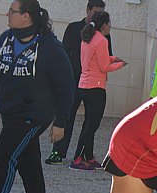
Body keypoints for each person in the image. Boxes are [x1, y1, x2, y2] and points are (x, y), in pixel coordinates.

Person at [0, 0, 74, 193]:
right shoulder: (6, 39)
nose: (7, 14)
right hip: (10, 113)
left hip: (32, 115)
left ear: (26, 16)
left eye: (12, 11)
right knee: (29, 164)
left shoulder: (50, 47)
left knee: (3, 157)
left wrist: (61, 122)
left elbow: (66, 87)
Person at [45, 0, 112, 166]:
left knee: (91, 120)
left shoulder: (104, 33)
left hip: (93, 83)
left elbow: (107, 56)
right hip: (72, 80)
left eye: (101, 14)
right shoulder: (74, 28)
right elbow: (64, 53)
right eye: (95, 13)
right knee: (66, 115)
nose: (98, 17)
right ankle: (57, 152)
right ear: (87, 10)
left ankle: (84, 155)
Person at [69, 11, 126, 171]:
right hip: (96, 87)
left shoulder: (88, 37)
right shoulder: (101, 40)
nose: (111, 26)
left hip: (84, 85)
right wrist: (120, 64)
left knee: (89, 122)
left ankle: (88, 156)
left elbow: (98, 59)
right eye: (109, 23)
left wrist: (113, 58)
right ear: (104, 25)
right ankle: (78, 158)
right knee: (92, 124)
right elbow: (104, 67)